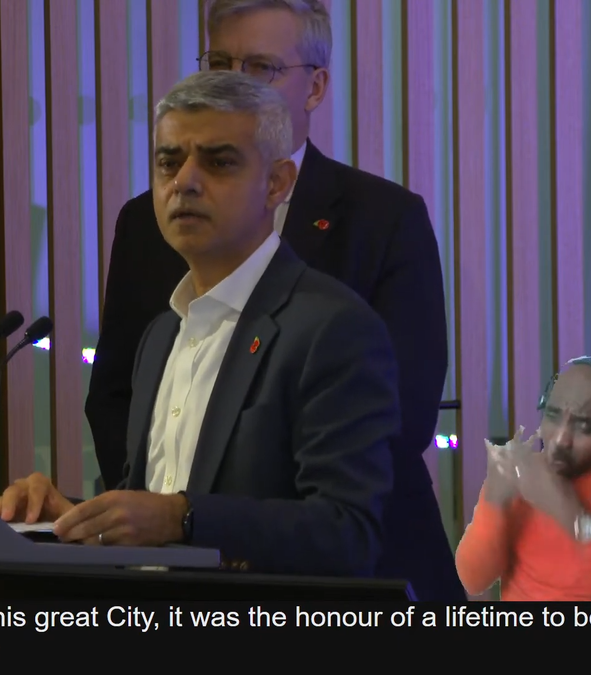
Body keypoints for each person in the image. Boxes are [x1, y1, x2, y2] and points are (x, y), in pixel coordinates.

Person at [85, 0, 458, 597]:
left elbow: (397, 424)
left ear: (314, 87)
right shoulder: (156, 271)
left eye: (259, 67)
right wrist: (92, 519)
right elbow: (122, 414)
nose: (232, 81)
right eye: (219, 62)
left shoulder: (381, 225)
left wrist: (186, 517)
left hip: (344, 590)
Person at [0, 70, 400, 577]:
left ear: (277, 183)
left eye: (219, 162)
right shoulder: (161, 335)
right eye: (169, 162)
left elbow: (348, 532)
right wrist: (73, 521)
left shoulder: (332, 328)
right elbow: (153, 519)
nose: (184, 181)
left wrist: (181, 516)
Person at [455, 357, 591, 601]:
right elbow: (473, 579)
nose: (561, 439)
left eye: (583, 427)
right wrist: (494, 501)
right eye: (553, 415)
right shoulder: (520, 473)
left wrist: (563, 507)